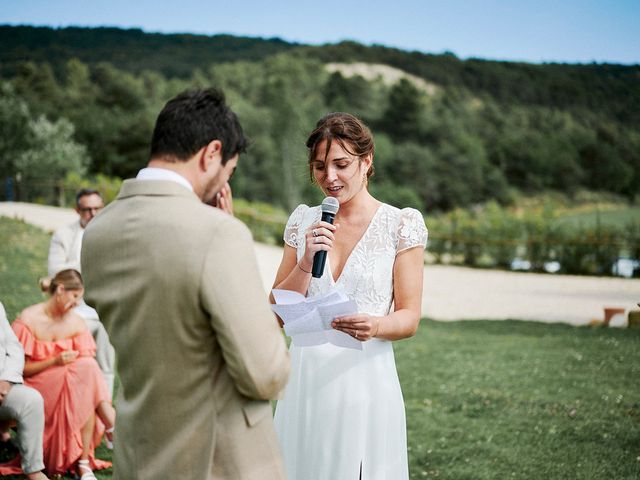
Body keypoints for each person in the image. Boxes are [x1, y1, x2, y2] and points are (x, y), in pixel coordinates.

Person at [81, 88, 290, 480]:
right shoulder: (218, 235)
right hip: (218, 461)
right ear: (211, 153)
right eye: (229, 171)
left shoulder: (98, 232)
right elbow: (265, 372)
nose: (225, 182)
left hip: (139, 454)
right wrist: (224, 232)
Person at [272, 112, 428, 479]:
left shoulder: (400, 224)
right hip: (306, 380)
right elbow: (277, 313)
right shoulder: (303, 221)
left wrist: (375, 325)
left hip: (365, 378)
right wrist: (306, 262)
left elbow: (409, 317)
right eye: (320, 166)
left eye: (341, 164)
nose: (330, 177)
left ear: (366, 161)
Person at [11, 269, 115, 479]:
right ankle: (110, 430)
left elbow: (85, 361)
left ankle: (87, 457)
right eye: (75, 296)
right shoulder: (29, 319)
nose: (77, 303)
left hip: (70, 383)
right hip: (37, 385)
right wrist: (55, 361)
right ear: (60, 290)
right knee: (87, 373)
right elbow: (19, 369)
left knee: (87, 370)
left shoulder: (76, 322)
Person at [48, 188, 116, 395]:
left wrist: (75, 269)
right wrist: (90, 266)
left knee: (107, 359)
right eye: (87, 209)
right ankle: (75, 400)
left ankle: (105, 407)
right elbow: (56, 271)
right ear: (77, 210)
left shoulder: (111, 233)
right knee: (77, 360)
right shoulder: (64, 234)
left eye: (97, 208)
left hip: (104, 308)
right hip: (74, 308)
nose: (93, 214)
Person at [0, 301, 49, 480]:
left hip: (2, 385)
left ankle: (34, 469)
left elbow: (14, 348)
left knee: (31, 399)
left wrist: (6, 380)